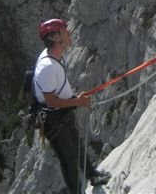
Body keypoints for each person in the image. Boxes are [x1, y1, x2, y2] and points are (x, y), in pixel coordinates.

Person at [33, 18, 110, 193]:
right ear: (54, 37)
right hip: (53, 119)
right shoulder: (47, 66)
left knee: (78, 147)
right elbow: (51, 101)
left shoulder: (54, 57)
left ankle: (93, 176)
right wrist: (78, 101)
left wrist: (74, 100)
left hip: (62, 113)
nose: (69, 33)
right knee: (69, 158)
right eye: (64, 31)